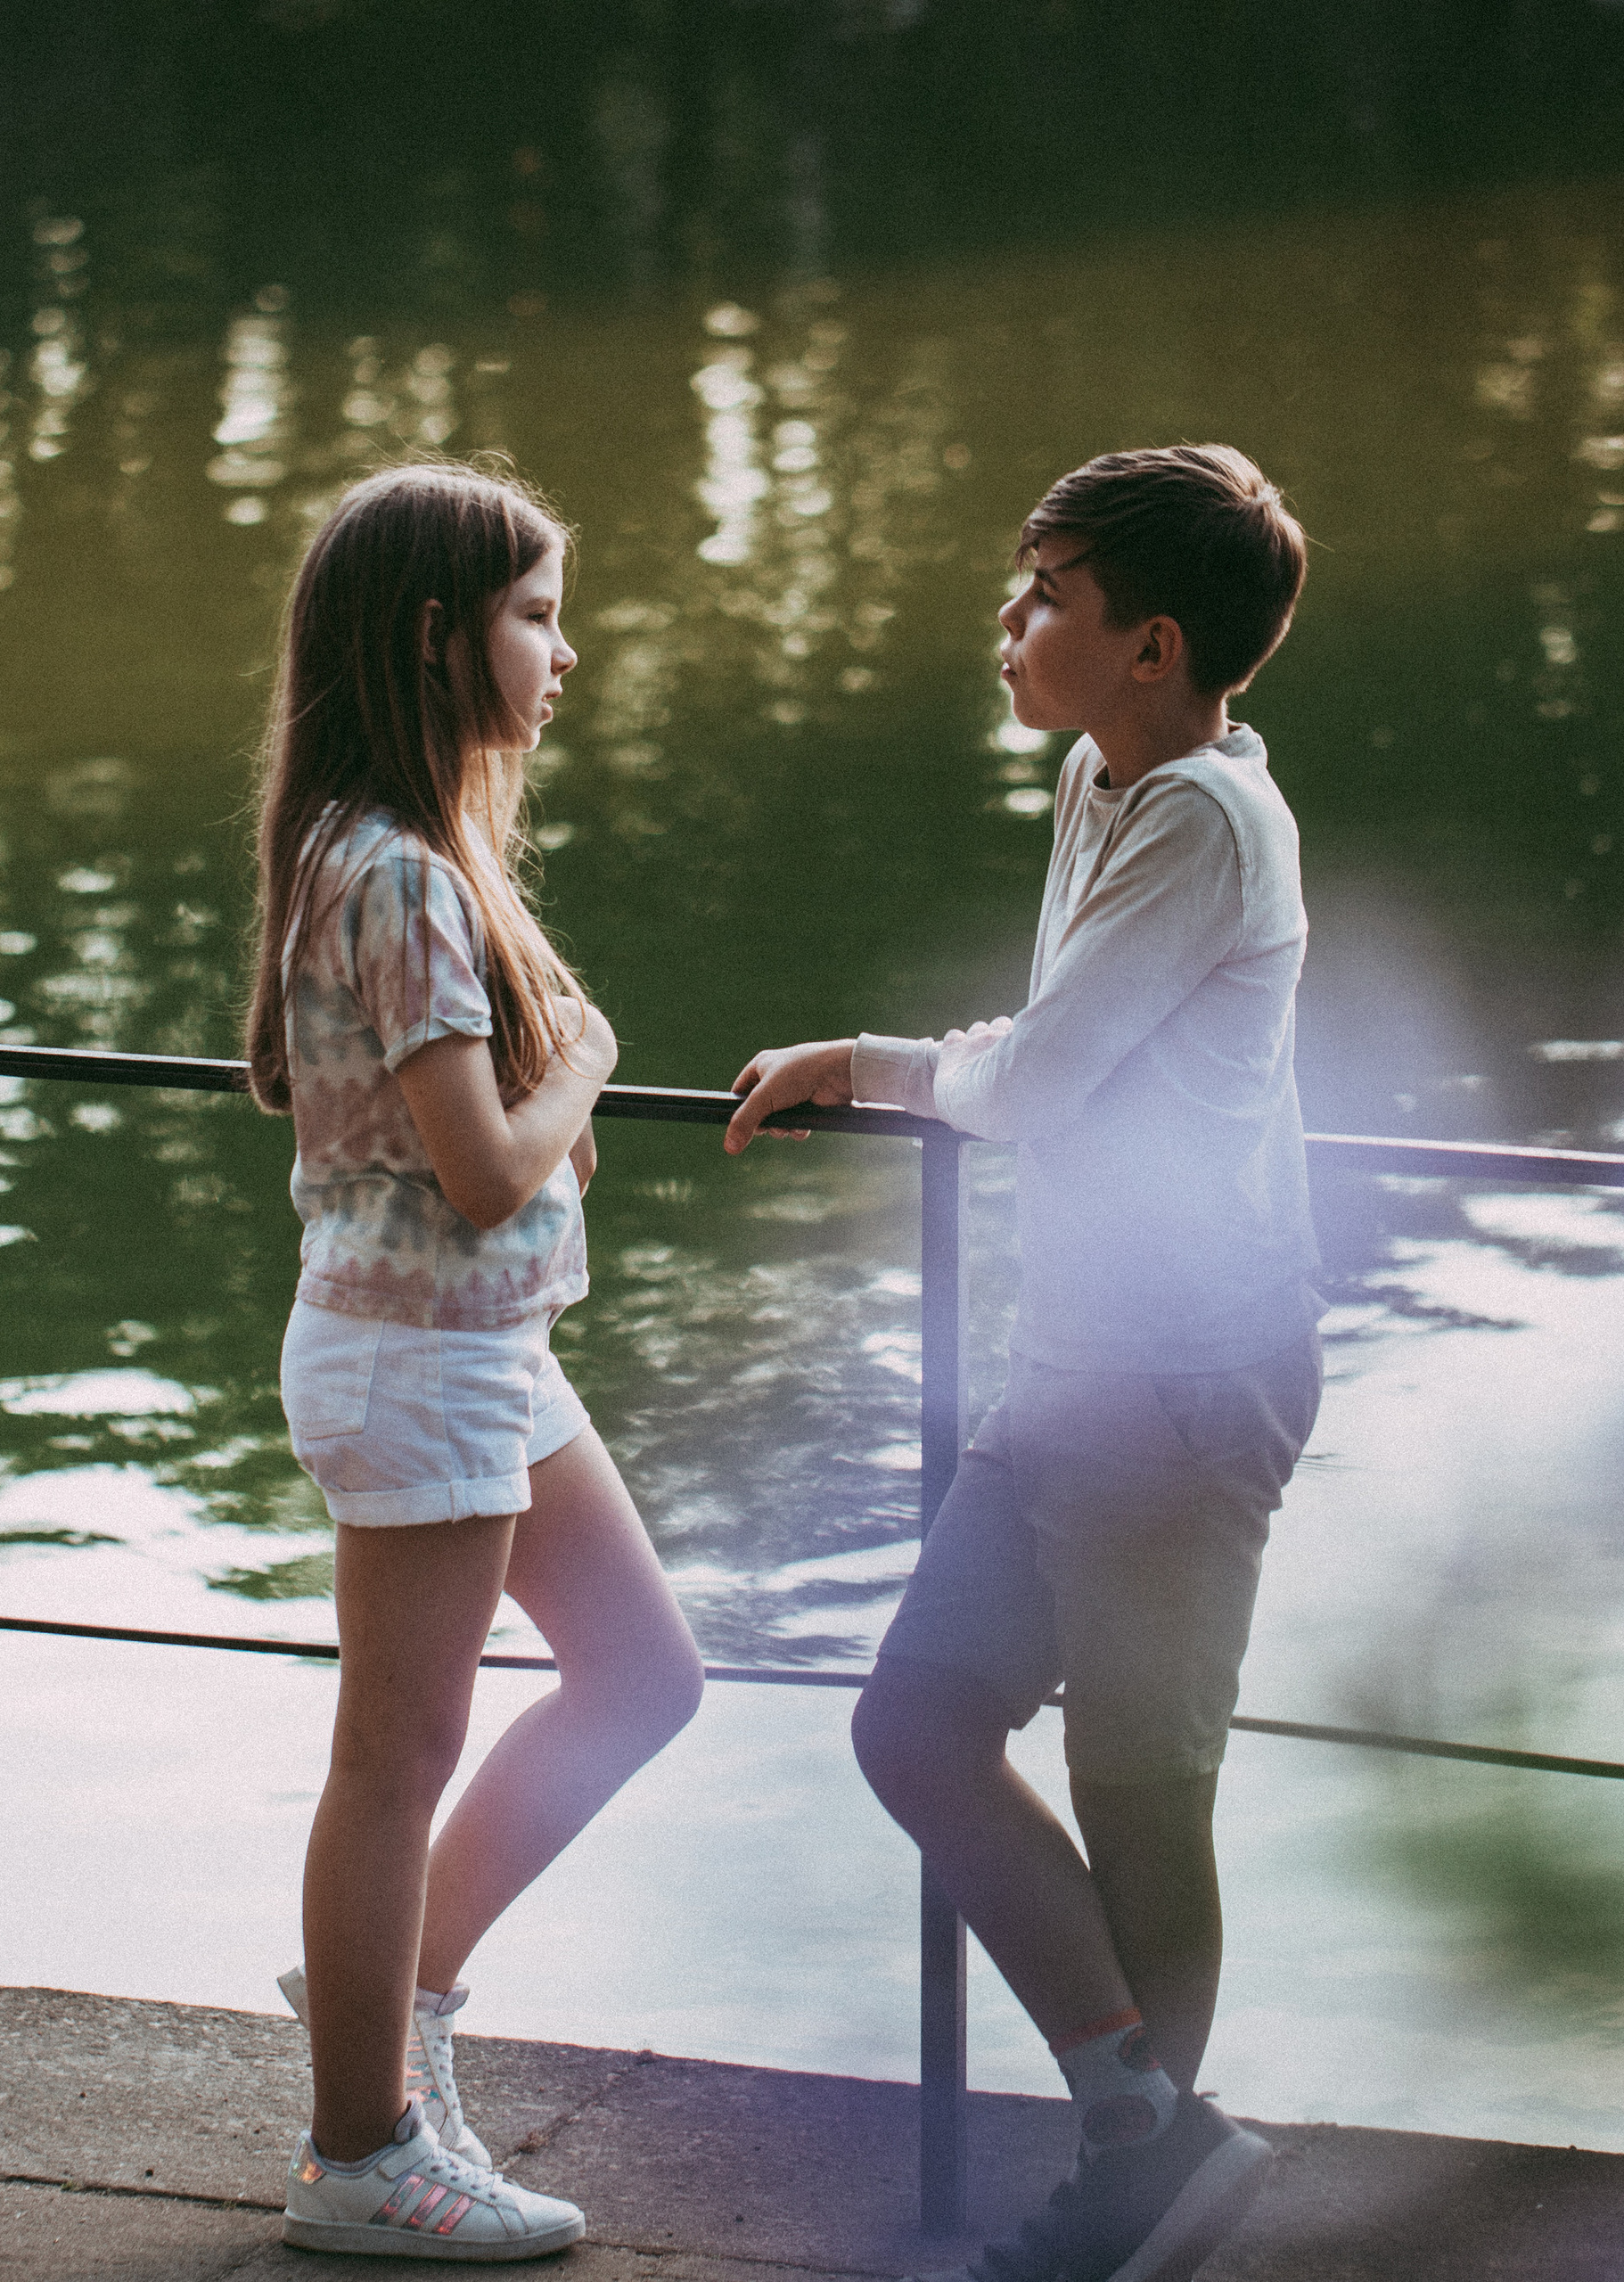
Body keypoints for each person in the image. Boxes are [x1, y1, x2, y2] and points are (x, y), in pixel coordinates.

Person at [726, 446, 1321, 2282]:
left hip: (1177, 1372)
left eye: (1041, 593)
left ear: (1149, 643)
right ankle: (1152, 2132)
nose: (1007, 618)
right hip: (1077, 1356)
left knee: (1145, 1796)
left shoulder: (1206, 819)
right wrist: (874, 1054)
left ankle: (1143, 2187)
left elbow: (1044, 1081)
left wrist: (899, 1064)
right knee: (915, 1719)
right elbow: (1059, 1043)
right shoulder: (1106, 776)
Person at [246, 459, 705, 2261]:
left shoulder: (400, 860)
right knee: (390, 1755)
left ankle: (390, 1997)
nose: (561, 651)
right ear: (436, 640)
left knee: (644, 1673)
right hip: (415, 1357)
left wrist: (540, 1082)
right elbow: (481, 1161)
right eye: (531, 614)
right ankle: (357, 2152)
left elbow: (443, 1143)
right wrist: (580, 1058)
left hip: (478, 1346)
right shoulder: (398, 875)